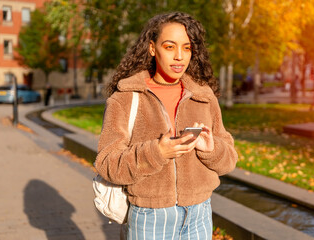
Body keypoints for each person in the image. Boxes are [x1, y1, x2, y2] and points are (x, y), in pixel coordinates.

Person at [94, 12, 238, 240]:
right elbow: (107, 163)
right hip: (150, 216)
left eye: (187, 48)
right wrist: (156, 152)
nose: (179, 56)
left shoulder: (203, 96)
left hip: (199, 214)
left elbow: (229, 160)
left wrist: (212, 149)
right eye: (170, 47)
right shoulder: (126, 97)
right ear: (152, 48)